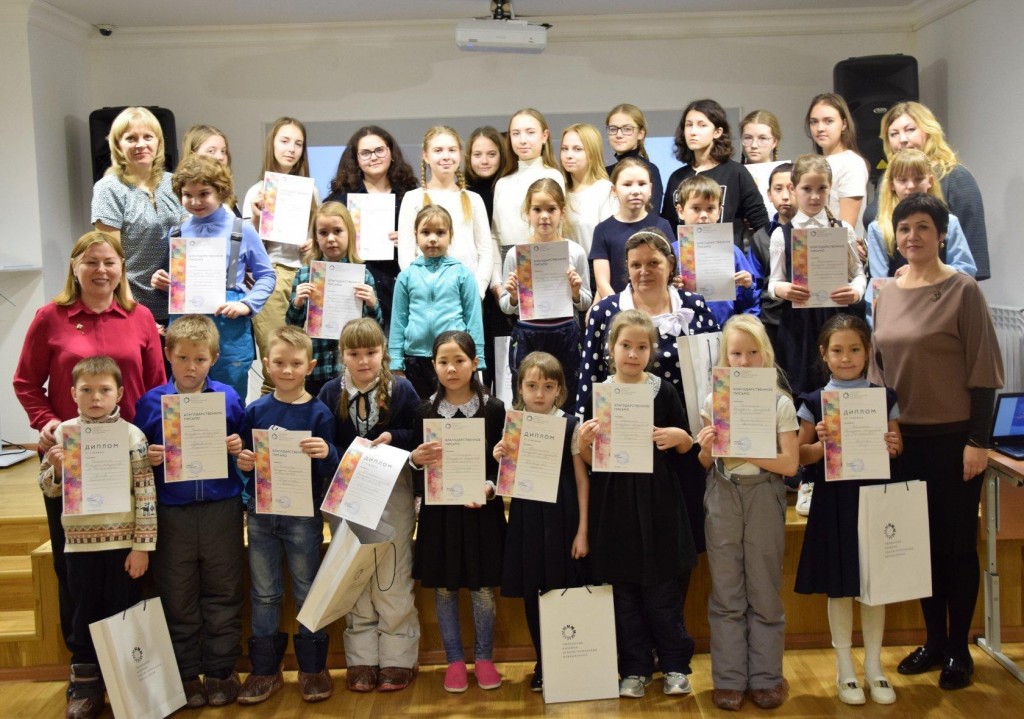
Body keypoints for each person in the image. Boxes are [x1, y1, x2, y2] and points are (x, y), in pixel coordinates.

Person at [870, 193, 1003, 691]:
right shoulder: (886, 291)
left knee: (956, 547)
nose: (913, 237)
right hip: (905, 443)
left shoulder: (962, 289)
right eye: (905, 228)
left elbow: (985, 371)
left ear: (942, 234)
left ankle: (959, 649)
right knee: (918, 548)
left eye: (923, 227)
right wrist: (885, 427)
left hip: (954, 441)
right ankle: (933, 641)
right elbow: (878, 370)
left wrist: (977, 442)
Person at [13, 230, 165, 653]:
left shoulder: (140, 318)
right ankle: (83, 659)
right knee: (73, 564)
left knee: (130, 563)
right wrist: (46, 422)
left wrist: (153, 445)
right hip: (70, 460)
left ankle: (131, 660)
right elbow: (26, 382)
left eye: (109, 262)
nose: (101, 270)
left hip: (129, 460)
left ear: (121, 268)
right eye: (91, 262)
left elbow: (156, 387)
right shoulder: (50, 317)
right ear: (75, 267)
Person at [578, 310, 696, 699]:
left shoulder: (665, 392)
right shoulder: (600, 394)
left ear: (652, 351)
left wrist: (680, 437)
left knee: (663, 593)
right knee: (624, 594)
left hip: (657, 502)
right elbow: (590, 460)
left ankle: (675, 665)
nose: (633, 354)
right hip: (613, 504)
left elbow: (686, 449)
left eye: (642, 347)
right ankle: (634, 668)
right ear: (611, 349)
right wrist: (584, 442)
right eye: (625, 345)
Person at [133, 315, 249, 708]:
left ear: (213, 358)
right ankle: (185, 674)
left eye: (200, 359)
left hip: (221, 508)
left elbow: (246, 448)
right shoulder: (150, 403)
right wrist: (148, 457)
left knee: (224, 591)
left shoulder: (228, 398)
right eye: (182, 358)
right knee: (177, 595)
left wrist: (238, 447)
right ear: (168, 354)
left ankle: (220, 671)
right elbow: (136, 457)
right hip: (173, 512)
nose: (190, 367)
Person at [39, 356, 157, 719]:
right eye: (86, 390)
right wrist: (56, 469)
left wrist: (142, 546)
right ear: (73, 393)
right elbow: (48, 488)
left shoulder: (133, 436)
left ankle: (129, 686)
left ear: (119, 393)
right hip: (80, 546)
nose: (95, 397)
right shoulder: (64, 435)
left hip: (123, 546)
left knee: (123, 611)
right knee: (84, 612)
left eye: (104, 390)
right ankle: (86, 684)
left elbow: (146, 494)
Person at [793, 315, 902, 706]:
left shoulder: (884, 397)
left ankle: (874, 666)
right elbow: (799, 456)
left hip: (873, 499)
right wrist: (821, 443)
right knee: (840, 586)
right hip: (834, 501)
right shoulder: (813, 402)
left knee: (874, 586)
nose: (846, 357)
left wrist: (893, 445)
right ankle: (845, 669)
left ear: (867, 351)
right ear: (824, 354)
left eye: (855, 349)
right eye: (837, 350)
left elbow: (897, 447)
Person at [695, 315, 799, 711]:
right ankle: (729, 680)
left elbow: (789, 465)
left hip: (764, 495)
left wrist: (743, 447)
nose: (743, 361)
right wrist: (708, 447)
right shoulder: (713, 402)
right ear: (725, 357)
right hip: (723, 493)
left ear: (765, 355)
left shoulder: (780, 403)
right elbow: (706, 463)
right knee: (726, 590)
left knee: (764, 589)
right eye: (736, 353)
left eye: (752, 353)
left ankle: (767, 678)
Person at [235, 326, 339, 704]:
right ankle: (265, 670)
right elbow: (245, 461)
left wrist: (326, 453)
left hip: (303, 516)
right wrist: (244, 463)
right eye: (279, 363)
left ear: (310, 366)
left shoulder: (320, 412)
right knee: (264, 594)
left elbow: (332, 468)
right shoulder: (255, 411)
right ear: (267, 364)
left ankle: (313, 668)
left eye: (296, 363)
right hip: (262, 514)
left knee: (308, 589)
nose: (287, 370)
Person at [318, 318, 421, 693]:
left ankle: (398, 658)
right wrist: (337, 452)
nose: (363, 361)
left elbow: (418, 433)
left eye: (371, 352)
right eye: (354, 353)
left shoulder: (403, 389)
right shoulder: (329, 392)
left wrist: (395, 437)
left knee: (392, 573)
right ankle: (361, 659)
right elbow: (325, 444)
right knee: (355, 574)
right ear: (341, 355)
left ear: (383, 353)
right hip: (347, 494)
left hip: (392, 489)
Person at [409, 332, 507, 693]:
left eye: (459, 361)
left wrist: (490, 487)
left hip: (481, 512)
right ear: (433, 366)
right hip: (440, 516)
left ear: (474, 363)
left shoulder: (494, 409)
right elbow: (416, 469)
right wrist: (415, 460)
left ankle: (484, 657)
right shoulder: (424, 411)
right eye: (443, 362)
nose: (451, 369)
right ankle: (453, 660)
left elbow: (504, 464)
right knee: (445, 590)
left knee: (483, 590)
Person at [495, 352, 590, 693]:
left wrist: (582, 531)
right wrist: (501, 458)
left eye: (548, 386)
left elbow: (581, 480)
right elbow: (508, 484)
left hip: (564, 518)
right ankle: (544, 662)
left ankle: (572, 661)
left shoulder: (571, 424)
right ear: (520, 388)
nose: (539, 393)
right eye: (532, 386)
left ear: (559, 390)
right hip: (528, 520)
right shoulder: (515, 425)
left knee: (566, 589)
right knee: (534, 591)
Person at [151, 154, 275, 401]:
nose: (195, 201)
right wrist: (164, 282)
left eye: (204, 193)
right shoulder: (177, 232)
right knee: (185, 400)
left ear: (220, 191)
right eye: (187, 194)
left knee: (229, 401)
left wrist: (247, 304)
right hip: (185, 327)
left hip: (229, 330)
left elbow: (267, 275)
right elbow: (180, 283)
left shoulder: (242, 229)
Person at [766, 154, 866, 398]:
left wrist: (856, 291)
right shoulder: (782, 234)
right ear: (794, 189)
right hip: (798, 325)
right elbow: (773, 282)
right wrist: (783, 289)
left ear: (830, 188)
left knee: (841, 384)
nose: (814, 196)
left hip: (837, 319)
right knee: (800, 388)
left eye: (821, 189)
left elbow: (858, 273)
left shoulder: (843, 229)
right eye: (807, 189)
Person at [91, 106, 188, 330]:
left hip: (180, 305)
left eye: (147, 137)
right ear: (118, 145)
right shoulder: (109, 189)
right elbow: (111, 258)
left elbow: (190, 241)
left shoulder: (175, 183)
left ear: (159, 142)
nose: (140, 144)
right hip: (132, 305)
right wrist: (132, 312)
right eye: (131, 138)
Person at [870, 101, 990, 280]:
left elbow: (970, 256)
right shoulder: (885, 184)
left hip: (943, 287)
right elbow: (878, 281)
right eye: (894, 134)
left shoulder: (956, 177)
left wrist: (926, 272)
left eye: (910, 130)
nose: (902, 139)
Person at [499, 179, 591, 410]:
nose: (544, 216)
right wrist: (513, 296)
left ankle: (566, 435)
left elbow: (585, 302)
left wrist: (576, 293)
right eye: (537, 209)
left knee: (565, 396)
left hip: (565, 333)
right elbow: (505, 306)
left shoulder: (575, 252)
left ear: (562, 212)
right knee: (525, 399)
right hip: (528, 333)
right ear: (527, 212)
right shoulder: (516, 254)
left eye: (551, 209)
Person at [242, 117, 318, 393]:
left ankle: (302, 414)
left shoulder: (311, 190)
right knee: (276, 357)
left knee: (301, 359)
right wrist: (256, 218)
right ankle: (269, 416)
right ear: (272, 144)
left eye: (298, 143)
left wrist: (313, 243)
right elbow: (245, 249)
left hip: (303, 276)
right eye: (284, 141)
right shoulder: (256, 191)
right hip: (270, 276)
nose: (291, 149)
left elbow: (318, 234)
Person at [326, 125, 419, 329]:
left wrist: (411, 239)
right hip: (355, 287)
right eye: (366, 153)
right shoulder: (341, 198)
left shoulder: (411, 194)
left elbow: (428, 234)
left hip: (400, 283)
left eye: (379, 150)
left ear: (391, 153)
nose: (374, 157)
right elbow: (325, 234)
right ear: (356, 159)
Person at [389, 205, 485, 399]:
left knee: (452, 409)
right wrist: (396, 362)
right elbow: (398, 322)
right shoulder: (406, 276)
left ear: (451, 235)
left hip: (453, 358)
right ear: (416, 235)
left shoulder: (463, 274)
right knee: (420, 412)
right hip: (415, 359)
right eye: (425, 232)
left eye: (440, 233)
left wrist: (478, 358)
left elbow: (474, 319)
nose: (432, 239)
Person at [286, 202, 382, 397]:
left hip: (351, 368)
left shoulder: (363, 276)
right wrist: (297, 303)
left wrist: (372, 304)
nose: (330, 239)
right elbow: (292, 327)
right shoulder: (305, 275)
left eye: (337, 231)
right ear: (315, 237)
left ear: (350, 234)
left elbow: (375, 329)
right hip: (317, 366)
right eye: (323, 233)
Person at [398, 126, 493, 299]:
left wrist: (477, 291)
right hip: (426, 295)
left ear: (460, 154)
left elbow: (485, 252)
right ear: (426, 156)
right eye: (438, 150)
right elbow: (406, 252)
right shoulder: (412, 199)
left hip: (467, 293)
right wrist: (419, 287)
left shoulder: (474, 200)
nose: (446, 156)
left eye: (452, 150)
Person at [662, 99, 769, 247]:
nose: (693, 132)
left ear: (717, 132)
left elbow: (760, 221)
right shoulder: (677, 177)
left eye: (702, 125)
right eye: (689, 125)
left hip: (727, 257)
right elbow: (669, 226)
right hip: (686, 257)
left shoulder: (736, 172)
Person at [866, 149, 975, 291]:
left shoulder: (950, 222)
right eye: (902, 180)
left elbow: (966, 270)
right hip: (900, 300)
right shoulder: (878, 228)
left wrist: (924, 271)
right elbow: (878, 286)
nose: (911, 186)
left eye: (918, 179)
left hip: (942, 297)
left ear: (930, 181)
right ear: (892, 185)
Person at [491, 109, 566, 290]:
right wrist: (496, 283)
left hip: (543, 259)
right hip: (508, 263)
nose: (522, 140)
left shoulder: (553, 176)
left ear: (544, 136)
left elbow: (558, 228)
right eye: (516, 133)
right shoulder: (502, 183)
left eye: (530, 132)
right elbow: (495, 235)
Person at [671, 174, 759, 327]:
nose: (704, 215)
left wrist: (747, 286)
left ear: (719, 212)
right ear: (680, 211)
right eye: (696, 208)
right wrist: (671, 288)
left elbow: (749, 303)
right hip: (684, 330)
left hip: (725, 329)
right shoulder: (670, 253)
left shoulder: (732, 252)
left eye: (710, 208)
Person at [590, 158, 674, 301]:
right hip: (618, 309)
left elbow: (671, 272)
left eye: (642, 184)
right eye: (627, 185)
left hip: (657, 306)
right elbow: (602, 283)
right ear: (614, 190)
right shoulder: (602, 230)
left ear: (650, 188)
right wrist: (623, 308)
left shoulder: (663, 225)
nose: (635, 191)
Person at [806, 93, 870, 245]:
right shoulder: (814, 163)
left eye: (828, 121)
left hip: (836, 253)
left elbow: (845, 229)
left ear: (844, 124)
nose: (820, 128)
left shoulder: (851, 163)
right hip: (811, 248)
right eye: (814, 122)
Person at [747, 163, 795, 350]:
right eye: (778, 189)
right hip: (773, 323)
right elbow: (755, 285)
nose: (785, 196)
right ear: (769, 194)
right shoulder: (761, 237)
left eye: (792, 188)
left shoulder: (817, 232)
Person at [561, 123, 616, 256]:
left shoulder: (605, 190)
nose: (569, 155)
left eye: (577, 149)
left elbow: (611, 239)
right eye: (564, 149)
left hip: (595, 265)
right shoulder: (560, 191)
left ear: (592, 153)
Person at [604, 103, 664, 213]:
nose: (619, 135)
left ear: (641, 133)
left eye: (627, 129)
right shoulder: (605, 172)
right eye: (613, 129)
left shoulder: (649, 170)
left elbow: (652, 214)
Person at [738, 109, 787, 220]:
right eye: (748, 138)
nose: (754, 145)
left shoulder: (787, 175)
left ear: (774, 142)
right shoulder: (732, 174)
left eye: (762, 138)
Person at [180, 124, 236, 213]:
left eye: (223, 151)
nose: (220, 157)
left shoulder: (227, 193)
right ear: (193, 155)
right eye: (211, 151)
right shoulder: (184, 201)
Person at [464, 126, 504, 224]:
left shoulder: (510, 189)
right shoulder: (459, 191)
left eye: (491, 154)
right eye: (477, 155)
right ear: (469, 156)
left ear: (501, 156)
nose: (484, 161)